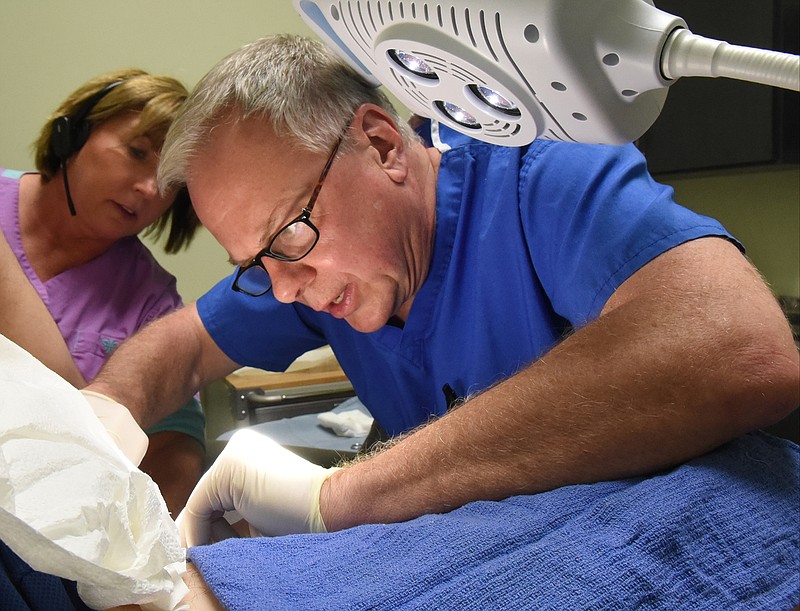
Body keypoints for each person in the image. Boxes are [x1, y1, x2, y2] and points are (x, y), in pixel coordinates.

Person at [86, 35, 798, 544]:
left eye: (290, 234)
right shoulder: (299, 269)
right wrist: (99, 421)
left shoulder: (537, 171)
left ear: (384, 146)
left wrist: (336, 497)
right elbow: (177, 349)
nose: (286, 289)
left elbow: (736, 344)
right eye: (255, 264)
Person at [0, 69, 206, 514]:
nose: (149, 189)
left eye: (170, 181)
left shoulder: (152, 302)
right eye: (136, 152)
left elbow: (176, 449)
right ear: (72, 134)